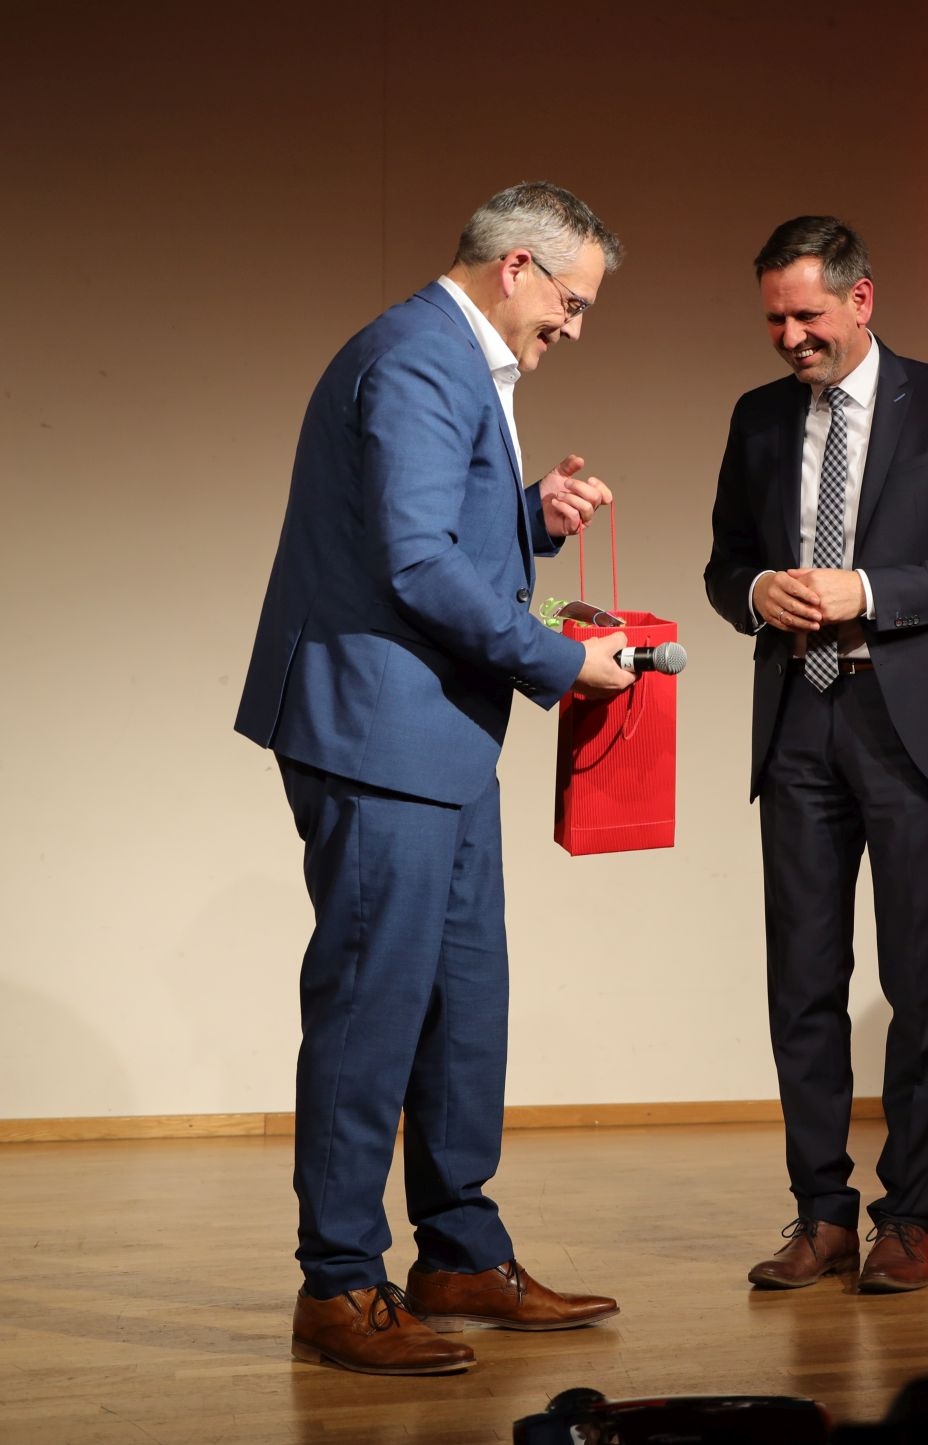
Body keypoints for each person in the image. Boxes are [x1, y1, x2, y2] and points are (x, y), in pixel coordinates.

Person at [235, 182, 635, 1373]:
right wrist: (561, 661)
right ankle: (338, 1282)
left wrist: (531, 516)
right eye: (571, 301)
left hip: (438, 735)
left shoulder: (455, 360)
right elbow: (413, 561)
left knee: (465, 1000)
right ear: (516, 267)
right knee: (373, 1005)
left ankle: (458, 1249)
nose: (574, 326)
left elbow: (424, 527)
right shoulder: (418, 356)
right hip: (378, 731)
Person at [705, 217, 928, 1293]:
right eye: (773, 319)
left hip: (912, 726)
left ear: (861, 298)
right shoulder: (758, 418)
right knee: (802, 978)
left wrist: (871, 591)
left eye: (806, 314)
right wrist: (760, 590)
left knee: (920, 982)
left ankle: (908, 1216)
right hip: (799, 720)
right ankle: (820, 1214)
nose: (790, 336)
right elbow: (725, 566)